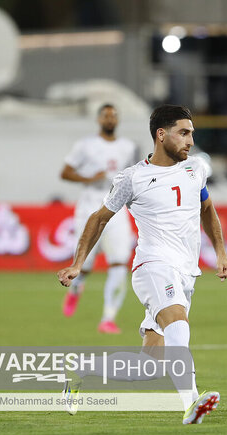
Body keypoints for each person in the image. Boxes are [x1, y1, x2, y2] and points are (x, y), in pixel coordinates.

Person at [58, 104, 227, 424]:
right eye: (184, 133)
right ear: (161, 134)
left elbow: (206, 209)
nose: (190, 140)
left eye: (192, 133)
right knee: (178, 323)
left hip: (185, 270)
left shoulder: (195, 169)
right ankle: (191, 404)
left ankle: (78, 373)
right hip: (153, 266)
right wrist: (77, 263)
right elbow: (99, 219)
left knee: (148, 367)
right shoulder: (132, 178)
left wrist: (221, 253)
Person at [60, 104, 137, 334]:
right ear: (99, 119)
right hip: (90, 205)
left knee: (119, 262)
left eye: (114, 115)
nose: (110, 119)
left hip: (117, 206)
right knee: (85, 264)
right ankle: (75, 290)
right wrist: (88, 177)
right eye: (106, 115)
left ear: (118, 119)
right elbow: (65, 172)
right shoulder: (85, 145)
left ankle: (108, 318)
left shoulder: (129, 147)